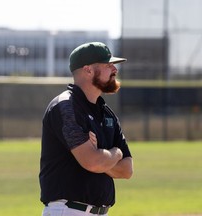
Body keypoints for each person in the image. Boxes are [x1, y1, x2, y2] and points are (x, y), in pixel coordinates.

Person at [39, 42, 133, 216]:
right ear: (88, 70)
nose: (115, 69)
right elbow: (92, 162)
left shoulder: (106, 114)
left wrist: (100, 157)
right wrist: (115, 154)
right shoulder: (66, 107)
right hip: (68, 211)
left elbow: (127, 170)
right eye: (108, 64)